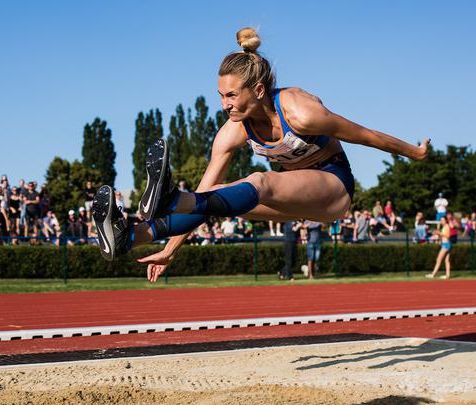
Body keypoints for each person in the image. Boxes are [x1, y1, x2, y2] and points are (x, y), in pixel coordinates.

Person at [92, 27, 428, 276]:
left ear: (259, 90)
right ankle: (130, 237)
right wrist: (169, 250)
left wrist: (414, 153)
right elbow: (206, 192)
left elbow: (365, 135)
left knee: (259, 181)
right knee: (222, 195)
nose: (225, 105)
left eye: (232, 96)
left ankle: (170, 198)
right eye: (221, 95)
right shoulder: (232, 132)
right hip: (292, 196)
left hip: (333, 188)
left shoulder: (301, 112)